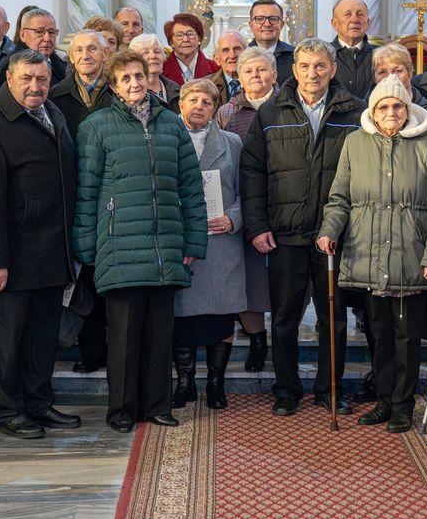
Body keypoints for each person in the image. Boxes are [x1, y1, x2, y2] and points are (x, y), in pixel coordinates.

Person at [73, 49, 208, 432]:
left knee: (160, 333)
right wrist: (87, 247)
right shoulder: (96, 126)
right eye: (126, 78)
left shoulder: (171, 123)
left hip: (164, 243)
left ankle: (157, 405)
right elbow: (86, 191)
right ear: (114, 87)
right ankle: (122, 409)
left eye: (139, 76)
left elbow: (190, 187)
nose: (135, 84)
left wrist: (193, 241)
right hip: (118, 244)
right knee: (124, 336)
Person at [316, 76, 427, 433]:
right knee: (379, 333)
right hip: (369, 255)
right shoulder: (355, 143)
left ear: (408, 109)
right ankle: (384, 400)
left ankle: (403, 405)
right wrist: (330, 230)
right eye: (383, 107)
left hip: (411, 255)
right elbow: (340, 198)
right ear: (373, 111)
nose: (391, 112)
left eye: (397, 106)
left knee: (407, 336)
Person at [0, 49, 83, 438]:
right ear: (8, 80)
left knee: (42, 336)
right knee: (9, 338)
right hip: (14, 255)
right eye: (27, 79)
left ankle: (38, 402)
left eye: (42, 79)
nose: (36, 86)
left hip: (52, 250)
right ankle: (8, 410)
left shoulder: (54, 114)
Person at [241, 38, 364, 416]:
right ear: (293, 70)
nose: (313, 73)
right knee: (283, 318)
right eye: (306, 66)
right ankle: (286, 389)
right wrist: (257, 225)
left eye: (321, 66)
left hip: (334, 235)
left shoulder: (355, 112)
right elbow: (252, 171)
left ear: (333, 69)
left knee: (333, 318)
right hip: (285, 233)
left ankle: (329, 389)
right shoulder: (271, 112)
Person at [172, 78, 246, 410]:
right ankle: (185, 381)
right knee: (181, 314)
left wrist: (234, 217)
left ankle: (216, 383)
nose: (199, 106)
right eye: (193, 100)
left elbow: (249, 191)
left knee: (221, 314)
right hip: (180, 240)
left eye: (207, 101)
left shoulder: (232, 142)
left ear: (215, 109)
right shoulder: (165, 140)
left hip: (221, 241)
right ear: (180, 105)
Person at [49, 30, 115, 374]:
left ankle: (116, 350)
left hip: (115, 197)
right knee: (84, 278)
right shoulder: (55, 96)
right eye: (79, 50)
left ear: (105, 54)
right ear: (70, 57)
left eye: (93, 48)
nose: (86, 54)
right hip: (73, 197)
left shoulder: (118, 91)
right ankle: (90, 350)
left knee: (112, 279)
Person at [215, 46, 276, 372]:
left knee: (279, 280)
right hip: (241, 203)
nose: (256, 75)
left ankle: (282, 337)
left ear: (275, 75)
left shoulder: (287, 106)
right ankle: (257, 339)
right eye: (249, 70)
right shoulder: (226, 112)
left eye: (262, 69)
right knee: (247, 281)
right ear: (238, 76)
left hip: (280, 202)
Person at [367, 43, 427, 136]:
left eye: (398, 70)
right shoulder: (365, 110)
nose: (390, 77)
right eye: (382, 72)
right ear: (374, 78)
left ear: (410, 73)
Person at [328, 0, 375, 98]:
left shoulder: (382, 55)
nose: (354, 20)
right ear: (334, 24)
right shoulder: (324, 55)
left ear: (367, 23)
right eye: (347, 14)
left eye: (360, 14)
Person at [11, 7, 69, 84]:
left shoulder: (60, 62)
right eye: (40, 32)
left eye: (51, 32)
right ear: (22, 35)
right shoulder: (12, 65)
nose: (47, 38)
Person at [246, 0, 295, 84]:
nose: (267, 24)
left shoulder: (295, 57)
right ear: (251, 25)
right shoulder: (242, 56)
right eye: (260, 19)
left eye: (273, 19)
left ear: (282, 24)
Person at [130, 33, 181, 112]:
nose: (153, 56)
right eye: (145, 53)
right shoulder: (132, 92)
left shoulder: (177, 89)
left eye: (157, 52)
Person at [162, 12, 218, 84]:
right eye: (179, 35)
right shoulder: (161, 70)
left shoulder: (215, 69)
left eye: (190, 34)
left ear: (200, 39)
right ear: (171, 42)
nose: (186, 39)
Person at [208, 30, 246, 106]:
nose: (232, 55)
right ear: (217, 59)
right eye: (225, 50)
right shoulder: (206, 85)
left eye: (237, 49)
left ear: (247, 54)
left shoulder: (259, 83)